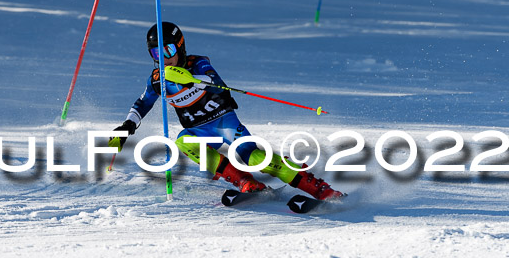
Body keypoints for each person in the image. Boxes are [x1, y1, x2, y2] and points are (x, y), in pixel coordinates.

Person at [108, 22, 344, 201]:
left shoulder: (197, 64)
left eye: (167, 51)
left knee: (254, 158)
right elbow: (142, 103)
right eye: (156, 54)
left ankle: (319, 189)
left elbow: (212, 80)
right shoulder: (157, 79)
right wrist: (127, 126)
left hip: (224, 122)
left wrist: (187, 79)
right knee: (183, 142)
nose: (164, 59)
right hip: (198, 130)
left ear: (180, 47)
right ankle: (244, 182)